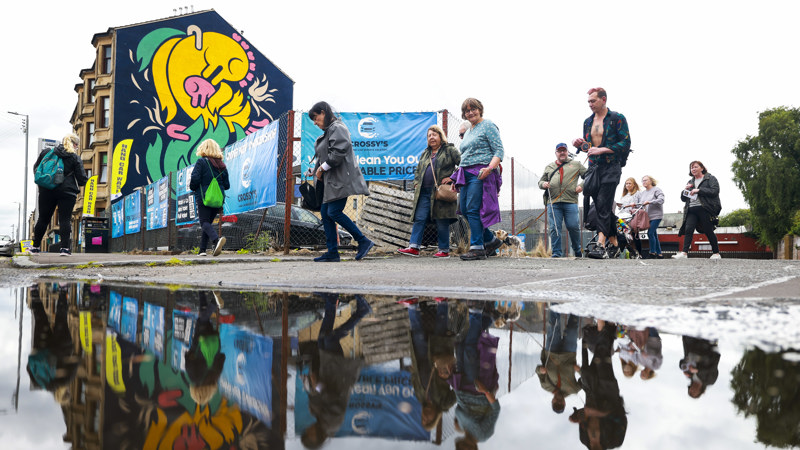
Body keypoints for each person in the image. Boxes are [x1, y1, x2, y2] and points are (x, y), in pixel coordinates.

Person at [300, 293, 371, 448]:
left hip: (327, 368)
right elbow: (332, 398)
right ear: (316, 438)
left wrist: (308, 383)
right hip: (339, 371)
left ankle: (331, 302)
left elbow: (314, 394)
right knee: (330, 338)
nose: (308, 429)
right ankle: (361, 312)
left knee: (323, 338)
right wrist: (317, 386)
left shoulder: (317, 416)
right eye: (309, 434)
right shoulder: (333, 423)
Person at [308, 101, 375, 262]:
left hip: (340, 179)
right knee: (325, 213)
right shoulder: (328, 131)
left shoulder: (338, 128)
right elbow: (324, 156)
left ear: (324, 112)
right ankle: (332, 252)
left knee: (333, 212)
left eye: (316, 118)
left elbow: (339, 151)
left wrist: (322, 169)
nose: (315, 123)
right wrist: (314, 170)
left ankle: (363, 240)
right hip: (331, 181)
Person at [573, 87, 631, 259]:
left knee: (603, 203)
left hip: (611, 167)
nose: (590, 104)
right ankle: (615, 244)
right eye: (588, 102)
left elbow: (626, 143)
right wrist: (580, 144)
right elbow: (589, 148)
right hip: (594, 168)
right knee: (600, 207)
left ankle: (600, 244)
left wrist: (604, 149)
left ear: (603, 99)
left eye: (593, 101)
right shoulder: (587, 122)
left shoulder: (617, 118)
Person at [452, 98, 504, 261]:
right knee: (465, 210)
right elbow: (465, 155)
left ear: (480, 109)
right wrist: (456, 178)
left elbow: (499, 150)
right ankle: (490, 240)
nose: (470, 112)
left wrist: (489, 169)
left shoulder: (488, 125)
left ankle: (477, 248)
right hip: (465, 172)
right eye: (467, 111)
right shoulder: (468, 131)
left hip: (479, 172)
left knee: (473, 208)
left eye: (473, 109)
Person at [397, 125, 461, 258]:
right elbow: (418, 171)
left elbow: (463, 164)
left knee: (441, 219)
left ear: (440, 136)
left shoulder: (450, 150)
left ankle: (444, 250)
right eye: (429, 135)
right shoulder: (425, 153)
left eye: (434, 134)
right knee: (419, 218)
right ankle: (414, 247)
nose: (431, 137)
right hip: (424, 192)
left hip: (440, 192)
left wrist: (453, 178)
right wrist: (416, 183)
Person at [30, 134, 88, 256]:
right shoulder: (74, 157)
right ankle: (64, 249)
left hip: (47, 190)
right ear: (75, 144)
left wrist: (45, 183)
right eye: (77, 145)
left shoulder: (47, 152)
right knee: (65, 219)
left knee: (43, 219)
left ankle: (35, 247)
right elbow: (82, 179)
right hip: (67, 191)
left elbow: (36, 168)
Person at [539, 143, 587, 258]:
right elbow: (540, 182)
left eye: (564, 151)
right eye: (559, 151)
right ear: (556, 153)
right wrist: (544, 184)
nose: (562, 153)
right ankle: (556, 253)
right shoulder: (549, 166)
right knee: (554, 228)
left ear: (567, 152)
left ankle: (577, 251)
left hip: (571, 201)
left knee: (573, 226)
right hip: (553, 202)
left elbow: (589, 176)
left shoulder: (576, 164)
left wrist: (581, 186)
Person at [673, 161, 722, 259]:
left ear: (702, 168)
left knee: (708, 230)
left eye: (695, 167)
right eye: (691, 168)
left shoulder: (710, 178)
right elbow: (683, 199)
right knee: (688, 229)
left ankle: (716, 253)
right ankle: (684, 253)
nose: (693, 169)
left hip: (705, 208)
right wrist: (684, 190)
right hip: (691, 209)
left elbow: (715, 191)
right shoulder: (690, 182)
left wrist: (699, 190)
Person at [190, 139, 230, 257]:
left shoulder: (201, 162)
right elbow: (227, 185)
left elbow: (195, 179)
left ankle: (216, 240)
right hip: (218, 199)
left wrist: (193, 187)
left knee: (204, 223)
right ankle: (202, 250)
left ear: (203, 149)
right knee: (207, 223)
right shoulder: (222, 165)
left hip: (204, 197)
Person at [536, 309, 582, 414]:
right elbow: (586, 381)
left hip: (551, 351)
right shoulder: (573, 390)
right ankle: (577, 306)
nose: (558, 401)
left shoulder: (545, 386)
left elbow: (537, 371)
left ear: (552, 401)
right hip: (569, 353)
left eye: (555, 403)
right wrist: (579, 371)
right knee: (572, 329)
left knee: (553, 326)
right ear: (565, 403)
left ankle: (554, 304)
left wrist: (540, 370)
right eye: (560, 404)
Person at [638, 175, 665, 259]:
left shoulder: (656, 190)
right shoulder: (643, 193)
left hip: (656, 215)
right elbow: (641, 204)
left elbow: (661, 200)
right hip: (647, 216)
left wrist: (650, 202)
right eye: (642, 181)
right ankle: (660, 254)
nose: (644, 182)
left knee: (650, 233)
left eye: (645, 180)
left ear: (651, 181)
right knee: (654, 234)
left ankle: (652, 252)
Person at [615, 177, 642, 258]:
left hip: (633, 215)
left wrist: (634, 205)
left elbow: (641, 204)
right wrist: (619, 206)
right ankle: (622, 248)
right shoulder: (624, 195)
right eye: (626, 183)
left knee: (634, 234)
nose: (628, 185)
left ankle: (639, 252)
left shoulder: (638, 193)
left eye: (629, 183)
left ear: (634, 184)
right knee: (621, 232)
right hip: (623, 216)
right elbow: (622, 207)